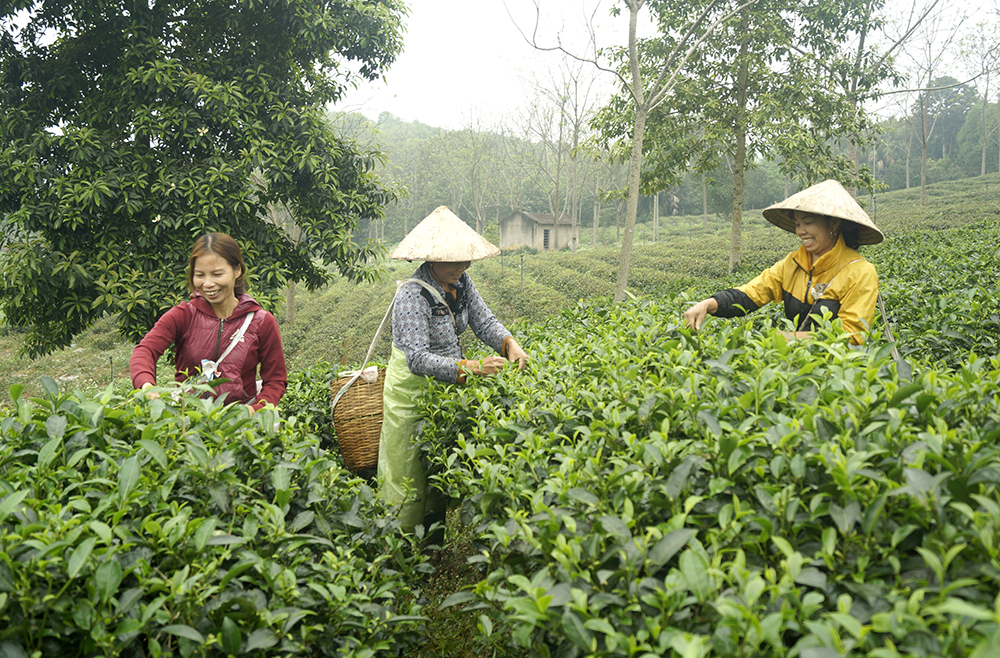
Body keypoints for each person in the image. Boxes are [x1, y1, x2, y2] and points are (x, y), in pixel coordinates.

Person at [378, 206, 528, 540]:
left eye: (465, 260)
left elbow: (482, 319)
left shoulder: (461, 283)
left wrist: (508, 344)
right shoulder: (411, 296)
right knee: (407, 474)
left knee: (436, 473)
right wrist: (474, 368)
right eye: (455, 260)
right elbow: (417, 358)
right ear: (433, 260)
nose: (463, 266)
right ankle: (398, 555)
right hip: (411, 395)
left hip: (444, 390)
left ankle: (433, 548)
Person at [683, 179, 883, 345]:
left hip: (838, 375)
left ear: (834, 223)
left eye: (808, 222)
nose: (800, 231)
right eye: (797, 224)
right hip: (795, 369)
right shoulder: (794, 263)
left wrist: (790, 338)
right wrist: (709, 303)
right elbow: (753, 293)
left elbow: (853, 335)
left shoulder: (860, 272)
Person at [130, 232, 287, 411]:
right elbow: (145, 351)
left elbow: (275, 380)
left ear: (237, 270)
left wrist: (255, 409)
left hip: (240, 425)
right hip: (188, 422)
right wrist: (147, 385)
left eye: (217, 274)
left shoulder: (261, 322)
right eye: (200, 275)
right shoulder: (184, 315)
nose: (208, 284)